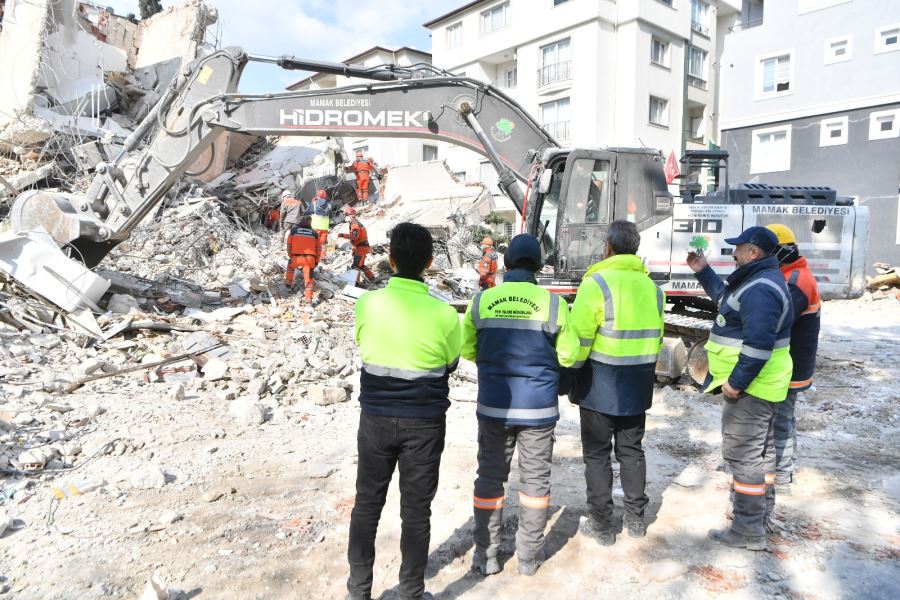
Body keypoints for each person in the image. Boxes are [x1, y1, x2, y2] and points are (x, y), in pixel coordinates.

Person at [347, 223, 461, 600]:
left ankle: (358, 591)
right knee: (416, 511)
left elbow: (365, 346)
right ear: (429, 262)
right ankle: (411, 592)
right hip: (424, 424)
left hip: (375, 419)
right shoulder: (444, 314)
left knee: (367, 504)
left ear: (390, 259)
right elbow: (450, 363)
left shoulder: (367, 303)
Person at [461, 234, 578, 577]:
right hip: (539, 411)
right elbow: (568, 355)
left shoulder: (482, 301)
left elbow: (468, 349)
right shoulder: (555, 304)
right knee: (535, 481)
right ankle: (528, 558)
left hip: (494, 407)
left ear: (507, 264)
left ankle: (487, 556)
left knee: (490, 479)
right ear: (540, 267)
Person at [686, 226, 793, 550]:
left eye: (739, 248)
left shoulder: (760, 287)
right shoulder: (756, 281)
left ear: (753, 253)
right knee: (762, 455)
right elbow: (725, 302)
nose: (733, 253)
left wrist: (736, 383)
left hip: (753, 389)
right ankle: (761, 518)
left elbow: (759, 344)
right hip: (762, 386)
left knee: (745, 456)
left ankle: (748, 530)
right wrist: (703, 272)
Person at [565, 220, 665, 546]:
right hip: (637, 384)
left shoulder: (596, 283)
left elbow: (578, 337)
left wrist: (567, 368)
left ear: (608, 246)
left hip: (599, 384)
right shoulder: (652, 288)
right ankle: (636, 520)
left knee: (597, 455)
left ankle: (602, 526)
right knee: (632, 451)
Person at [765, 224, 821, 497]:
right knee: (781, 418)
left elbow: (778, 319)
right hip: (790, 363)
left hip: (791, 365)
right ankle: (781, 471)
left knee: (781, 419)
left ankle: (783, 476)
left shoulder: (797, 281)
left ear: (783, 252)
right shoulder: (791, 275)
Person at [285, 215, 320, 303]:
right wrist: (316, 261)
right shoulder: (314, 233)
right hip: (310, 259)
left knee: (290, 266)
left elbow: (289, 245)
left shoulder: (293, 231)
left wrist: (291, 256)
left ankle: (288, 285)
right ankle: (308, 301)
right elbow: (318, 249)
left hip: (296, 258)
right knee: (309, 280)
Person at [339, 206, 375, 284]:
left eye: (346, 215)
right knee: (360, 265)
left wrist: (343, 235)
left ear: (350, 215)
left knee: (355, 266)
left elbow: (355, 237)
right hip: (362, 247)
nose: (345, 218)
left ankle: (356, 283)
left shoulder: (354, 224)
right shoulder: (354, 223)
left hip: (361, 248)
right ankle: (372, 279)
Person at [308, 189, 333, 262]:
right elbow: (331, 217)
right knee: (323, 243)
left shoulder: (314, 203)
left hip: (315, 227)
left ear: (318, 196)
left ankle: (312, 256)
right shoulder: (329, 205)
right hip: (324, 227)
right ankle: (323, 257)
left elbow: (307, 212)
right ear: (325, 196)